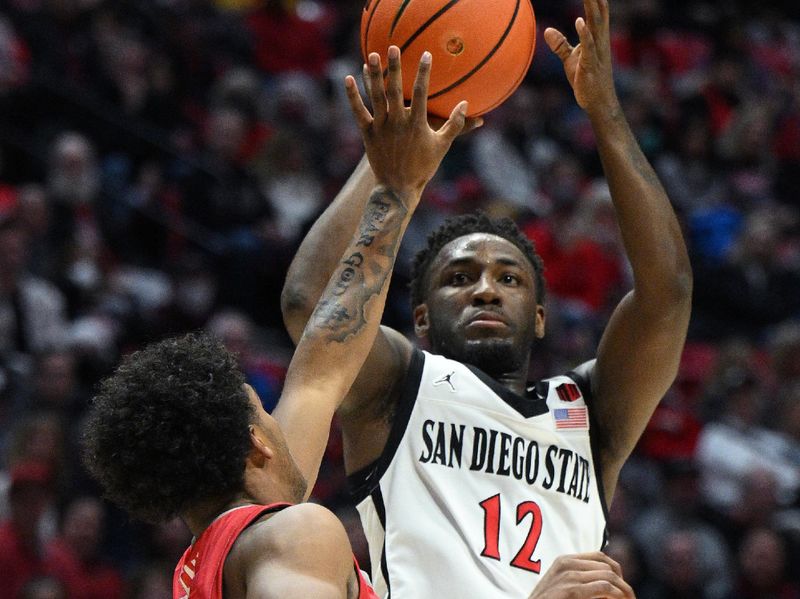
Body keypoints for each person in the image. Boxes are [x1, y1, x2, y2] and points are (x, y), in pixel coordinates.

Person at [281, 0, 692, 596]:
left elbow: (667, 294)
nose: (484, 289)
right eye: (459, 277)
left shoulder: (591, 412)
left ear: (542, 316)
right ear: (420, 318)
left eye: (510, 278)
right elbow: (311, 303)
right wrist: (398, 167)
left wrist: (605, 114)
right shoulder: (399, 385)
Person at [81, 51, 469, 599]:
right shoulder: (293, 535)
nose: (278, 415)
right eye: (264, 409)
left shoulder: (205, 564)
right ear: (255, 444)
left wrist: (397, 184)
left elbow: (321, 369)